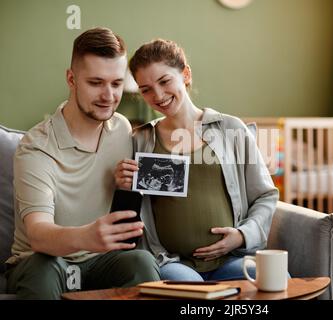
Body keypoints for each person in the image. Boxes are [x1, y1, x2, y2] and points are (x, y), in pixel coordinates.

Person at [5, 28, 160, 299]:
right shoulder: (35, 146)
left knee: (142, 262)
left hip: (101, 261)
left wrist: (126, 184)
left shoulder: (122, 129)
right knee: (44, 268)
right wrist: (88, 236)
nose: (109, 96)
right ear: (71, 79)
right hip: (43, 261)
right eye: (96, 82)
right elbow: (39, 234)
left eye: (116, 83)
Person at [114, 39, 279, 281]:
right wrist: (123, 188)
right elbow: (127, 216)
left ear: (186, 74)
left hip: (233, 258)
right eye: (146, 89)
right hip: (172, 262)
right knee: (192, 293)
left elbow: (266, 195)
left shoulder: (230, 129)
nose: (157, 95)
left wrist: (242, 235)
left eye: (164, 81)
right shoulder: (140, 140)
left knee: (278, 279)